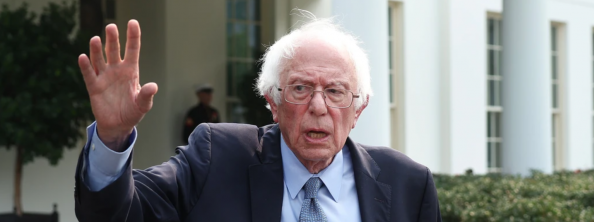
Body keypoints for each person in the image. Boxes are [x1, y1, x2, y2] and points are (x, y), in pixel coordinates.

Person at [73, 12, 442, 222]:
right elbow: (116, 215)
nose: (318, 106)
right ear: (273, 103)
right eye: (300, 89)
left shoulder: (409, 184)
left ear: (359, 109)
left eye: (335, 91)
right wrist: (112, 138)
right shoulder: (217, 156)